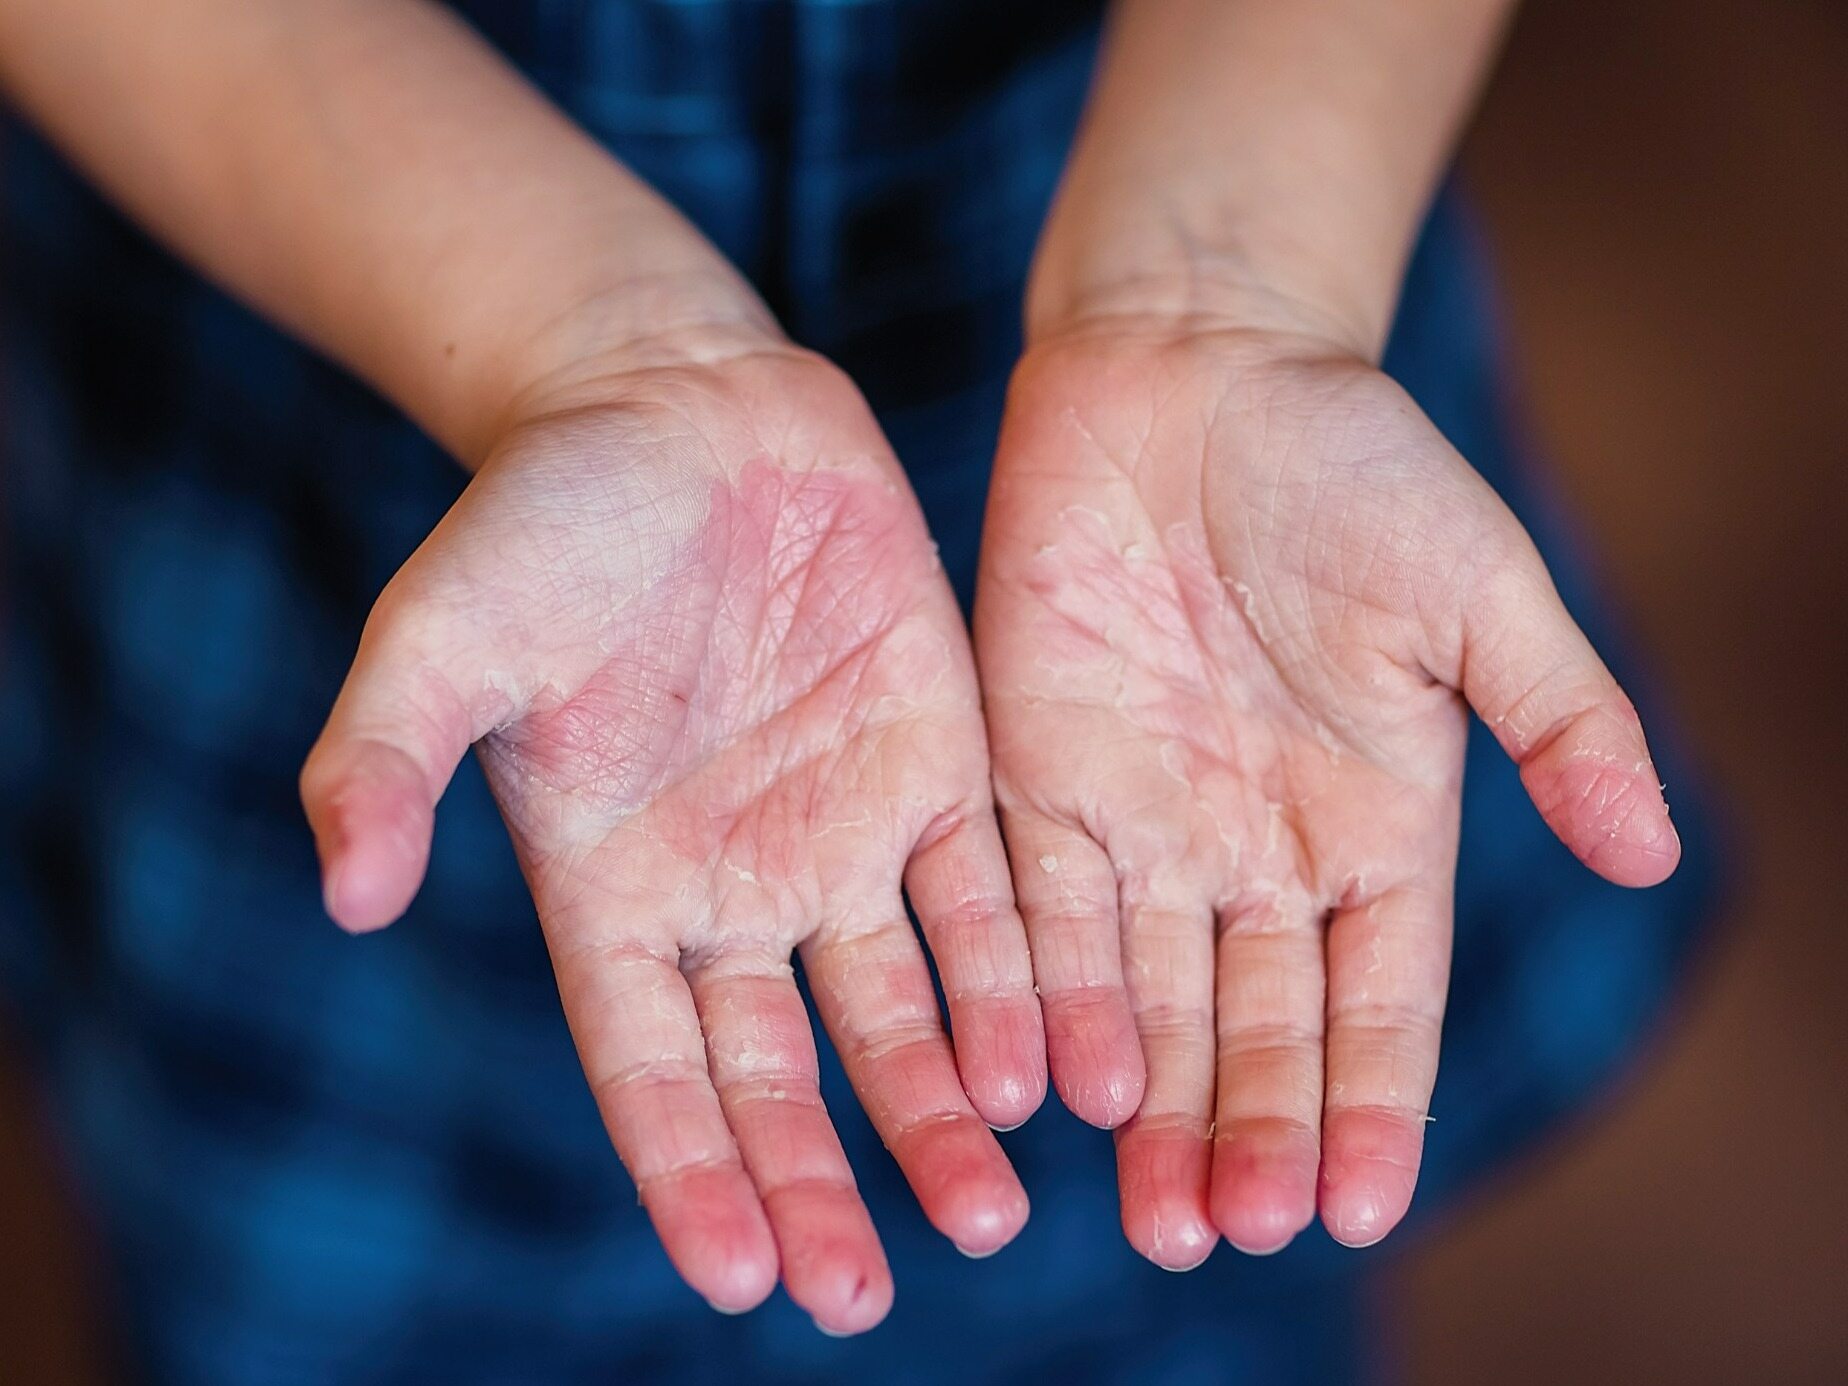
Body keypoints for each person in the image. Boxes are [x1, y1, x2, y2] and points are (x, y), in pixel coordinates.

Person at [0, 1, 1710, 1380]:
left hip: (1212, 490)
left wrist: (1222, 287)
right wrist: (588, 346)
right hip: (317, 348)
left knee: (1192, 1213)